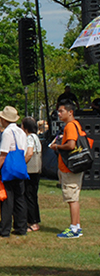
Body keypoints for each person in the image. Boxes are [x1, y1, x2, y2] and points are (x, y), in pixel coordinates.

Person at [49, 100, 87, 238]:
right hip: (73, 167)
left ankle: (74, 228)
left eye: (61, 111)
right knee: (73, 196)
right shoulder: (75, 124)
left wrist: (57, 146)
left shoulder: (70, 126)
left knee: (72, 198)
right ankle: (76, 226)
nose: (59, 114)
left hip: (69, 168)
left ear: (70, 112)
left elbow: (71, 145)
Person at [0, 106, 27, 237]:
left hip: (9, 168)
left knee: (7, 199)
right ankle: (21, 227)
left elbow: (3, 153)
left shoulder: (7, 132)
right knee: (20, 198)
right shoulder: (21, 132)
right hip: (20, 166)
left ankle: (4, 229)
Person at [22, 116, 42, 233]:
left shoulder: (30, 138)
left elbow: (29, 153)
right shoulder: (37, 137)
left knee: (29, 196)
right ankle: (33, 220)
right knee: (33, 196)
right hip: (37, 171)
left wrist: (22, 164)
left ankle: (33, 221)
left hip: (31, 171)